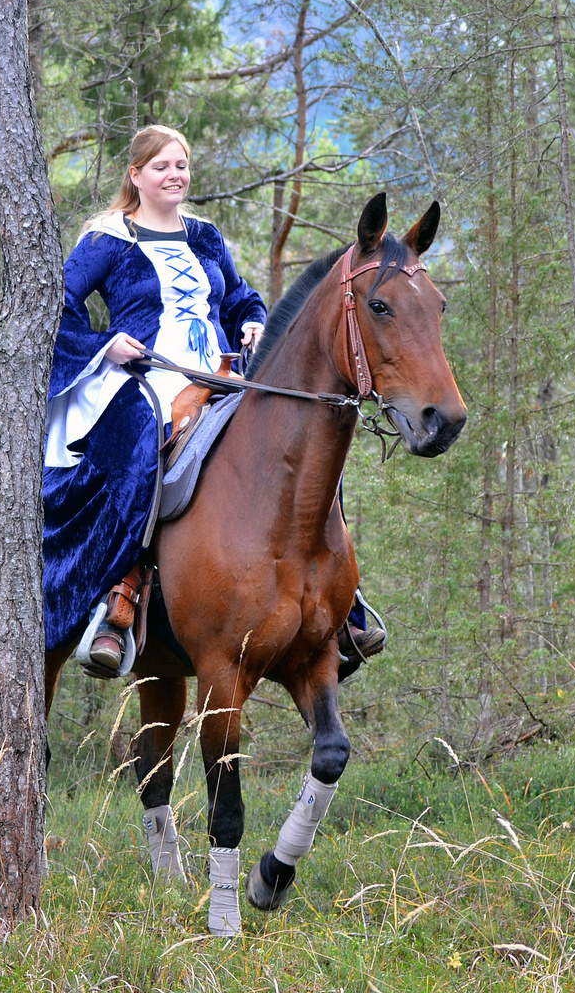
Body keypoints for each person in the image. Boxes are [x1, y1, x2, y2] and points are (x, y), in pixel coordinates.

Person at [42, 124, 385, 675]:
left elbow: (241, 295)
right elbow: (57, 302)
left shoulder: (203, 235)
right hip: (148, 375)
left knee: (307, 436)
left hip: (221, 371)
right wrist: (106, 345)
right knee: (144, 440)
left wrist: (251, 321)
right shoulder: (106, 239)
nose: (174, 175)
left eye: (181, 165)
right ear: (136, 175)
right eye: (161, 166)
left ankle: (343, 602)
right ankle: (122, 596)